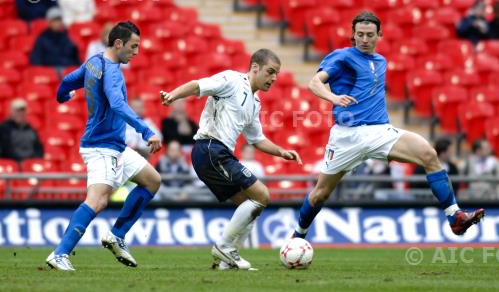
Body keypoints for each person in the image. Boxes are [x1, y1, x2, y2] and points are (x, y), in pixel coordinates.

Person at [292, 11, 484, 241]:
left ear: (379, 35)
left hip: (379, 131)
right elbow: (315, 83)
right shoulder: (342, 57)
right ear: (353, 35)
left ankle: (455, 217)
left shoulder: (381, 61)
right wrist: (332, 98)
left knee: (428, 154)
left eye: (369, 35)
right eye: (360, 34)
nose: (364, 39)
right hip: (347, 136)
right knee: (320, 194)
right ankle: (298, 236)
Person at [160, 49, 302, 270]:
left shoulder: (255, 102)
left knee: (249, 207)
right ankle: (224, 246)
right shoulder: (231, 80)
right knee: (262, 194)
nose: (274, 78)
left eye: (277, 74)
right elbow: (198, 85)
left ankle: (227, 262)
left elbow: (257, 139)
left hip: (217, 153)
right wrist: (173, 95)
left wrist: (281, 152)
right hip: (210, 148)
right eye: (270, 72)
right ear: (255, 67)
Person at [46, 21, 162, 271]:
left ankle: (116, 234)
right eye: (133, 46)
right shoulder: (112, 71)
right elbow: (118, 105)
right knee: (97, 201)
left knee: (152, 180)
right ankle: (60, 253)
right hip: (101, 146)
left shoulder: (93, 62)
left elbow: (68, 80)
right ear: (118, 43)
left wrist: (62, 96)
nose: (137, 51)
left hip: (115, 146)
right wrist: (146, 130)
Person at [0, 98, 43, 162]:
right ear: (11, 112)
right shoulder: (3, 128)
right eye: (17, 110)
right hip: (12, 165)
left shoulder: (31, 129)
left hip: (30, 165)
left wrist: (33, 161)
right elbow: (5, 150)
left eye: (22, 110)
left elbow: (38, 149)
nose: (20, 113)